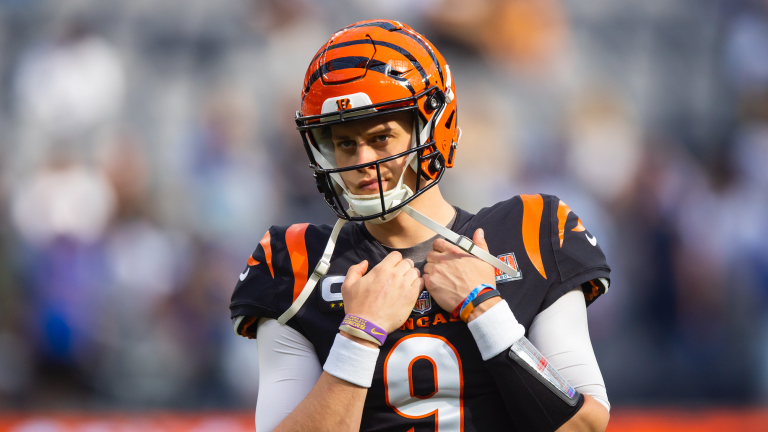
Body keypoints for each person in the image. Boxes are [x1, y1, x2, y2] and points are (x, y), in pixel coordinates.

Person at [230, 19, 611, 432]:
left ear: (434, 128)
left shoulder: (531, 232)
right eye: (344, 143)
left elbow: (585, 426)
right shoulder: (297, 262)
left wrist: (485, 310)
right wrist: (359, 334)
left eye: (380, 138)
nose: (361, 162)